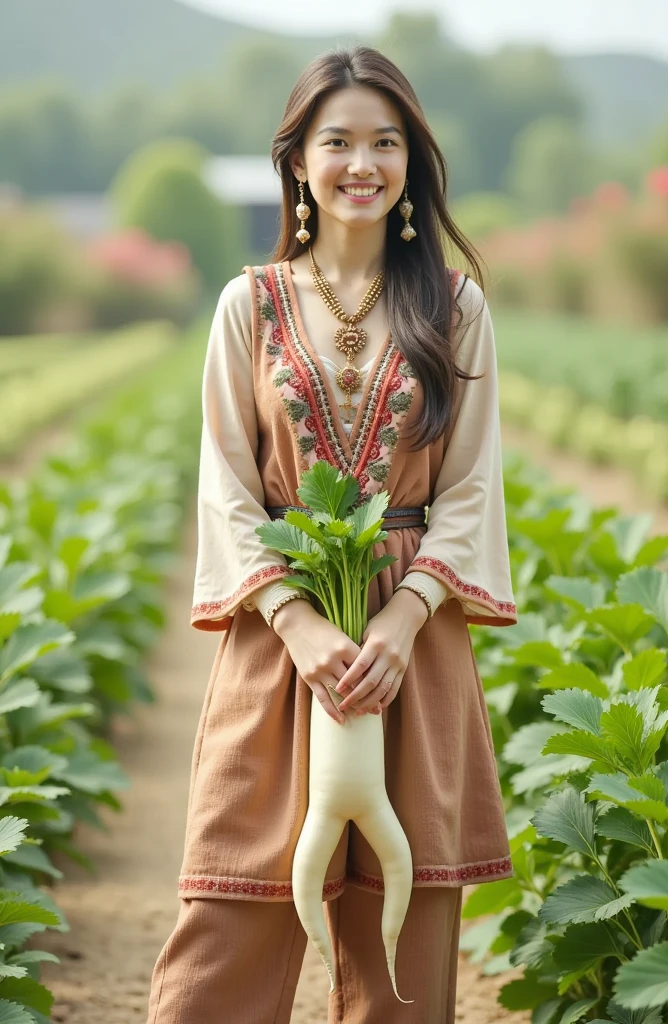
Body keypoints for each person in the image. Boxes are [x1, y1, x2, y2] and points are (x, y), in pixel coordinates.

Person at [147, 43, 518, 1024]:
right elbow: (227, 491)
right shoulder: (247, 306)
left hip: (414, 653)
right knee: (226, 924)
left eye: (386, 142)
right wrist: (301, 625)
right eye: (339, 140)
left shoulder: (456, 307)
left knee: (404, 952)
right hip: (279, 652)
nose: (364, 163)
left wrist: (399, 619)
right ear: (298, 163)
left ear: (411, 167)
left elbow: (472, 488)